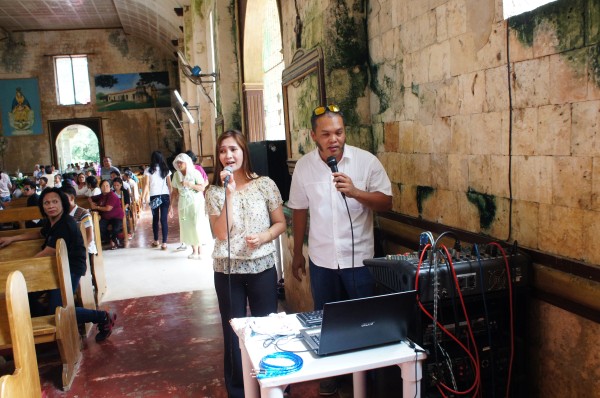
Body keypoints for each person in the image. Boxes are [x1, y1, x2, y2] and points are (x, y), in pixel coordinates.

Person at [287, 105, 393, 395]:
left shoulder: (366, 162)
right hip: (322, 260)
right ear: (313, 136)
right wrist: (298, 253)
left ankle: (368, 377)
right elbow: (298, 210)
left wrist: (356, 192)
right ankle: (332, 374)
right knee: (327, 320)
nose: (334, 139)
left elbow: (387, 202)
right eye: (326, 134)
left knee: (364, 320)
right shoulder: (305, 167)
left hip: (359, 259)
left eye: (339, 132)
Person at [205, 130, 286, 398]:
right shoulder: (214, 192)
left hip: (262, 266)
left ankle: (274, 384)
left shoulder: (265, 184)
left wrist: (263, 237)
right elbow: (220, 233)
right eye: (222, 151)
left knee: (266, 327)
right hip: (228, 271)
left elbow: (280, 223)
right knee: (233, 334)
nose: (228, 155)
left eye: (233, 149)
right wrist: (228, 193)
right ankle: (238, 391)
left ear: (244, 152)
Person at [0, 187, 116, 342]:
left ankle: (102, 317)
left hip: (71, 268)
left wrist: (20, 268)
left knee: (59, 310)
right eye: (46, 203)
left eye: (55, 201)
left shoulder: (65, 223)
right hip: (54, 267)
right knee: (27, 297)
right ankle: (43, 326)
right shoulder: (53, 221)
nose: (50, 206)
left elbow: (48, 251)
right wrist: (13, 238)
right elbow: (39, 233)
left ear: (63, 203)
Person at [171, 153, 207, 259]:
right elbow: (174, 191)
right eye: (177, 162)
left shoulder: (195, 173)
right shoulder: (176, 175)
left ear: (186, 163)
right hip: (183, 204)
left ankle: (200, 250)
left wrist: (190, 184)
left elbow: (202, 188)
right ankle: (194, 250)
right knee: (188, 226)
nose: (179, 164)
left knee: (196, 224)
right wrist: (171, 207)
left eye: (181, 162)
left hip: (196, 203)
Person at [142, 151, 172, 250]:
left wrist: (143, 198)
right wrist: (171, 199)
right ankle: (164, 243)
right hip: (165, 196)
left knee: (155, 219)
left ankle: (156, 241)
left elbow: (146, 185)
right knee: (164, 219)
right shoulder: (166, 170)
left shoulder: (148, 170)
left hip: (154, 196)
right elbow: (170, 186)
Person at [60, 184, 97, 255]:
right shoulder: (62, 215)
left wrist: (75, 251)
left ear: (71, 198)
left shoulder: (83, 213)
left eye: (63, 198)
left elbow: (89, 237)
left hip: (85, 250)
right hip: (70, 250)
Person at [89, 179, 124, 250]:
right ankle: (110, 239)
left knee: (116, 228)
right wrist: (91, 203)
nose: (105, 187)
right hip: (106, 217)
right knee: (99, 227)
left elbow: (108, 208)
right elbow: (90, 198)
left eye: (107, 186)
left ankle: (113, 240)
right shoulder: (101, 195)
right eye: (103, 186)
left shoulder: (112, 196)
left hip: (116, 216)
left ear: (110, 187)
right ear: (100, 187)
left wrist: (96, 207)